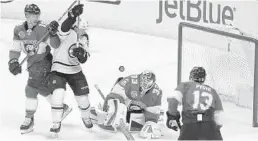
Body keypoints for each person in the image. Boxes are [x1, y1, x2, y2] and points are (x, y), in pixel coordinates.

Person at [8, 3, 72, 134]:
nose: (35, 18)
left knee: (31, 89)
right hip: (31, 64)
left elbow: (56, 45)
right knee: (41, 88)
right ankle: (61, 107)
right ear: (26, 15)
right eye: (32, 15)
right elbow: (15, 48)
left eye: (37, 15)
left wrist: (53, 34)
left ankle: (29, 119)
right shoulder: (18, 29)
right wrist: (13, 61)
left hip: (44, 63)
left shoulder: (44, 29)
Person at [48, 4, 92, 134]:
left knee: (83, 99)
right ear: (75, 26)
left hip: (75, 71)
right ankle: (56, 123)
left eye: (84, 30)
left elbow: (85, 58)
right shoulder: (66, 31)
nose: (82, 32)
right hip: (59, 68)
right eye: (80, 29)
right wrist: (72, 17)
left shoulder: (84, 38)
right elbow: (64, 27)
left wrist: (81, 55)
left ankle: (86, 117)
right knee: (57, 95)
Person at [91, 70, 163, 139]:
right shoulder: (130, 80)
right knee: (116, 107)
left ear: (153, 83)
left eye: (148, 83)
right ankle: (105, 115)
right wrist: (115, 108)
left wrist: (151, 121)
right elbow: (114, 96)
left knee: (151, 119)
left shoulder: (156, 91)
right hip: (124, 105)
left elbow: (154, 111)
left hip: (135, 113)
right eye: (143, 81)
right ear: (140, 78)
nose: (144, 84)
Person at [166, 66, 223, 140]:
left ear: (191, 76)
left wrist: (172, 116)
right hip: (209, 124)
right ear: (204, 78)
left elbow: (173, 100)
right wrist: (214, 129)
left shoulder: (185, 85)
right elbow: (220, 114)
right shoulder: (212, 90)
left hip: (190, 124)